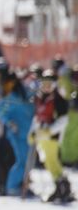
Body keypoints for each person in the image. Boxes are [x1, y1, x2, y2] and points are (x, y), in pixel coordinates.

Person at [30, 70, 71, 202]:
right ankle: (60, 186)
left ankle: (62, 186)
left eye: (49, 84)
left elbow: (63, 119)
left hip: (52, 136)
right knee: (48, 162)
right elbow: (37, 118)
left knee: (52, 161)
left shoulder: (58, 100)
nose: (46, 87)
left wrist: (51, 130)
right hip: (42, 136)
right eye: (44, 84)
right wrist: (33, 132)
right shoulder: (39, 98)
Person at [0, 70, 35, 196]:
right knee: (22, 162)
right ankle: (12, 186)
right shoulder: (9, 98)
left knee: (29, 162)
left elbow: (33, 106)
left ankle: (23, 184)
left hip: (30, 132)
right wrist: (10, 122)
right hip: (17, 134)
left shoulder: (25, 93)